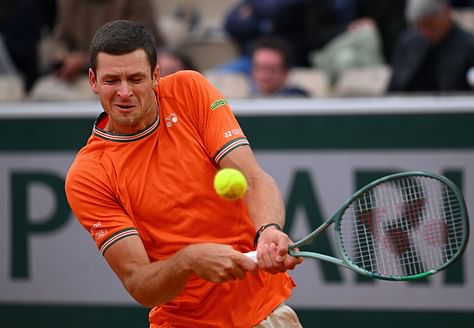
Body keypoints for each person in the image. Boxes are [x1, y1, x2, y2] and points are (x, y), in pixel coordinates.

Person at [65, 20, 302, 328]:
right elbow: (138, 282)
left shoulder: (189, 89)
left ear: (155, 76)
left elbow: (253, 179)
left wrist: (268, 229)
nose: (124, 92)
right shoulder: (88, 175)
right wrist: (190, 261)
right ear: (93, 80)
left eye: (136, 78)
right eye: (112, 81)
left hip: (266, 311)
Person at [388, 0, 474, 93]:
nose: (425, 31)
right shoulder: (408, 44)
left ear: (446, 12)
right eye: (420, 25)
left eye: (430, 23)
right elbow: (394, 88)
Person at [50, 0, 167, 82]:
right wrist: (63, 58)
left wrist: (83, 60)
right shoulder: (69, 3)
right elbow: (61, 40)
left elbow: (137, 42)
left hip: (130, 63)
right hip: (81, 70)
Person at [221, 0, 307, 74]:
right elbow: (231, 24)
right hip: (250, 60)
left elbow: (277, 11)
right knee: (219, 77)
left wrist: (253, 11)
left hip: (287, 63)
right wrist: (261, 25)